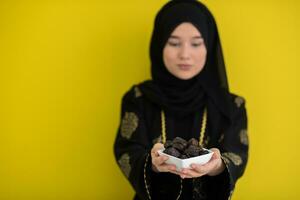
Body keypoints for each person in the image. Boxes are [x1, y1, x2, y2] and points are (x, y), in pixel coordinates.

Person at [113, 0, 249, 199]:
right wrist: (152, 164)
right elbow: (127, 152)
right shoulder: (138, 98)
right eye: (174, 43)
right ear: (159, 45)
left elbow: (237, 154)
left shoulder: (232, 105)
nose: (185, 54)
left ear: (209, 47)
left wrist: (216, 165)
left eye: (196, 43)